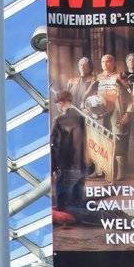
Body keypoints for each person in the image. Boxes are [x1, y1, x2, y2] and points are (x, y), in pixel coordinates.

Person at [50, 90, 88, 219]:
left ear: (60, 103)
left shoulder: (60, 120)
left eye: (57, 104)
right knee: (77, 200)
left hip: (65, 167)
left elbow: (55, 146)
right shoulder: (81, 118)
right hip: (81, 165)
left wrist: (53, 167)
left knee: (64, 207)